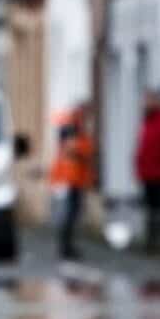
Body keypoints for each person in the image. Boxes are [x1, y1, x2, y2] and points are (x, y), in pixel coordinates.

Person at [49, 107, 97, 262]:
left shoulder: (71, 133)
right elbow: (81, 153)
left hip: (73, 178)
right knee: (70, 213)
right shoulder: (74, 134)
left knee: (71, 213)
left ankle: (66, 246)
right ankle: (65, 247)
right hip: (72, 179)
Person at [135, 89, 160, 253]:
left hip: (158, 172)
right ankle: (151, 242)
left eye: (149, 101)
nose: (146, 104)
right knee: (151, 210)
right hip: (147, 173)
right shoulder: (148, 121)